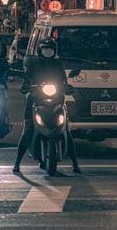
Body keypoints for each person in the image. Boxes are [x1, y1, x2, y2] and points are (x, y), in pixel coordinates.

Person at [13, 36, 80, 174]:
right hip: (36, 101)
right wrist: (28, 87)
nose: (48, 51)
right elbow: (26, 81)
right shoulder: (34, 64)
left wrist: (67, 88)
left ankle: (75, 164)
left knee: (66, 130)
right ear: (40, 50)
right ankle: (17, 163)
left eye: (50, 49)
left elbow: (64, 82)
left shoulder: (57, 65)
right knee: (28, 130)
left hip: (56, 102)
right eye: (45, 49)